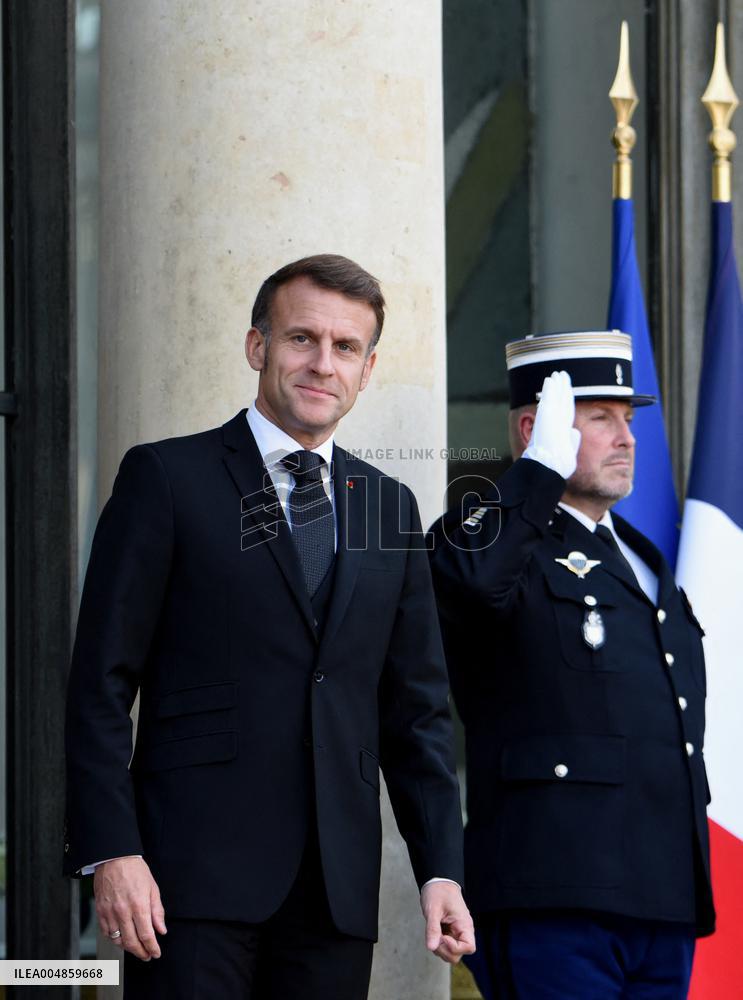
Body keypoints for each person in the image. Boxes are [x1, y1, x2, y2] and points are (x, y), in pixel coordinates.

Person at [65, 253, 474, 999]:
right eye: (301, 339)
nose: (322, 363)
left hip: (334, 893)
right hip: (185, 884)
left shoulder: (389, 508)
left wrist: (439, 866)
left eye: (345, 347)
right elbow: (98, 684)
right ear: (258, 347)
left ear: (367, 367)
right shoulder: (166, 478)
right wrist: (111, 851)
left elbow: (416, 714)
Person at [429, 330, 715, 999]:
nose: (626, 437)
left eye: (628, 420)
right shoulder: (488, 540)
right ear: (537, 428)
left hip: (660, 899)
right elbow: (470, 581)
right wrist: (535, 474)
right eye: (598, 419)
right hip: (552, 896)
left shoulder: (643, 559)